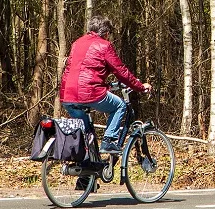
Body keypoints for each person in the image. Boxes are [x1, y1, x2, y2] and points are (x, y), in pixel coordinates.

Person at [60, 15, 152, 155]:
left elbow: (79, 70)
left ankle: (87, 173)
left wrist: (106, 85)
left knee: (87, 135)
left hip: (67, 95)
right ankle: (108, 141)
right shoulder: (104, 45)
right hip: (89, 93)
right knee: (120, 106)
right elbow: (120, 71)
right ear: (106, 33)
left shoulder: (77, 43)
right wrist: (140, 86)